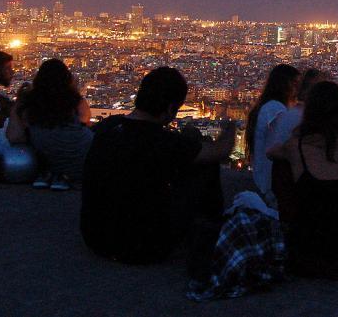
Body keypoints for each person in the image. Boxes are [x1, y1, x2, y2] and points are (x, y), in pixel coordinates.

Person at [81, 67, 235, 266]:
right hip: (145, 247)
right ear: (170, 109)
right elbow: (220, 151)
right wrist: (231, 126)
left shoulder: (107, 127)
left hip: (95, 239)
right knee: (206, 164)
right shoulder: (163, 142)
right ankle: (211, 231)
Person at [267, 80, 338, 278]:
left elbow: (271, 153)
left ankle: (288, 225)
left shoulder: (297, 146)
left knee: (283, 166)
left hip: (307, 260)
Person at [5, 58, 93, 190]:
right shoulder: (74, 100)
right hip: (82, 162)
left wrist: (19, 102)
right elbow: (85, 119)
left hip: (46, 160)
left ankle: (51, 174)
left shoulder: (30, 104)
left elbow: (15, 137)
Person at [246, 64, 300, 202]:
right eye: (295, 83)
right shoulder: (275, 109)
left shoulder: (268, 106)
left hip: (266, 182)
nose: (298, 89)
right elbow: (283, 140)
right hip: (271, 186)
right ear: (284, 85)